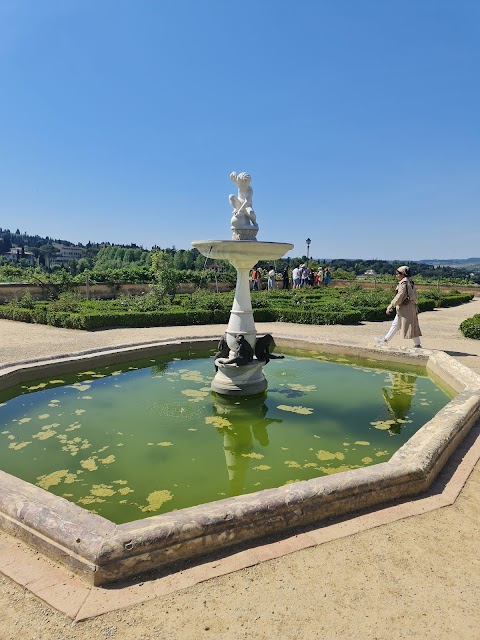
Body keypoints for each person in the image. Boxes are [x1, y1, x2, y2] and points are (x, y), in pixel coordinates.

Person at [375, 265, 422, 348]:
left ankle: (417, 344)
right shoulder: (409, 281)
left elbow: (399, 296)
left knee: (409, 325)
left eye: (398, 273)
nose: (396, 275)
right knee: (399, 324)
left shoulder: (404, 283)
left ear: (403, 274)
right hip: (409, 307)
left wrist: (391, 305)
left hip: (406, 308)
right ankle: (385, 340)